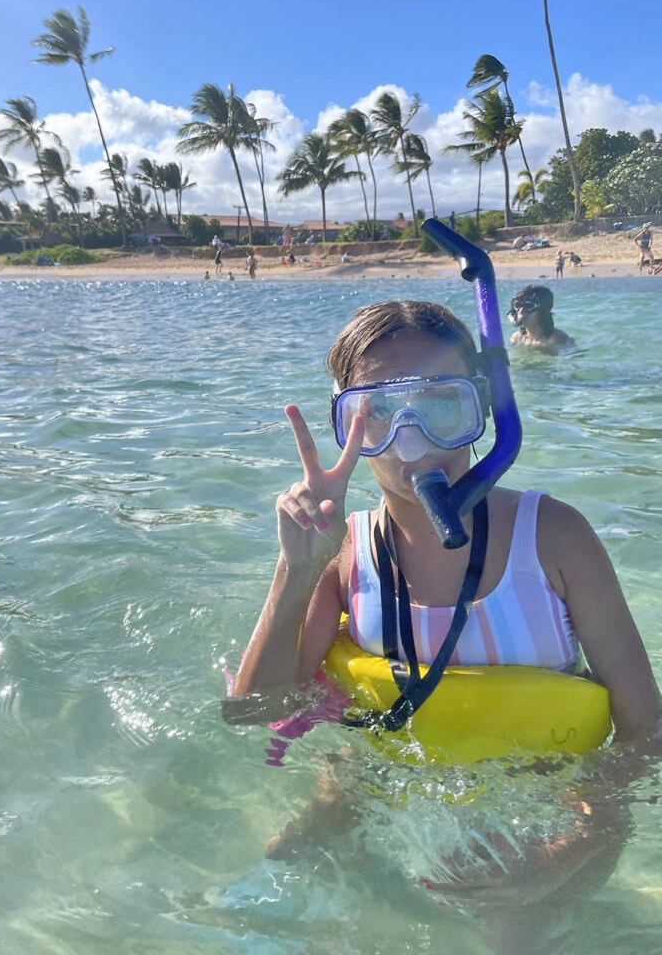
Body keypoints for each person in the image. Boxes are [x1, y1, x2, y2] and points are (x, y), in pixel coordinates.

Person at [228, 299, 660, 867]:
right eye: (379, 411)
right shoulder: (344, 553)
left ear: (480, 404)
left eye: (440, 404)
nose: (415, 440)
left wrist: (577, 840)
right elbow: (253, 714)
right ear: (347, 428)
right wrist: (298, 567)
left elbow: (646, 731)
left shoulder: (556, 537)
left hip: (536, 808)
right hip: (373, 785)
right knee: (282, 870)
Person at [508, 285, 576, 355]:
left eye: (528, 306)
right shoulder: (516, 339)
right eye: (517, 305)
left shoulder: (555, 339)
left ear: (544, 312)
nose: (521, 311)